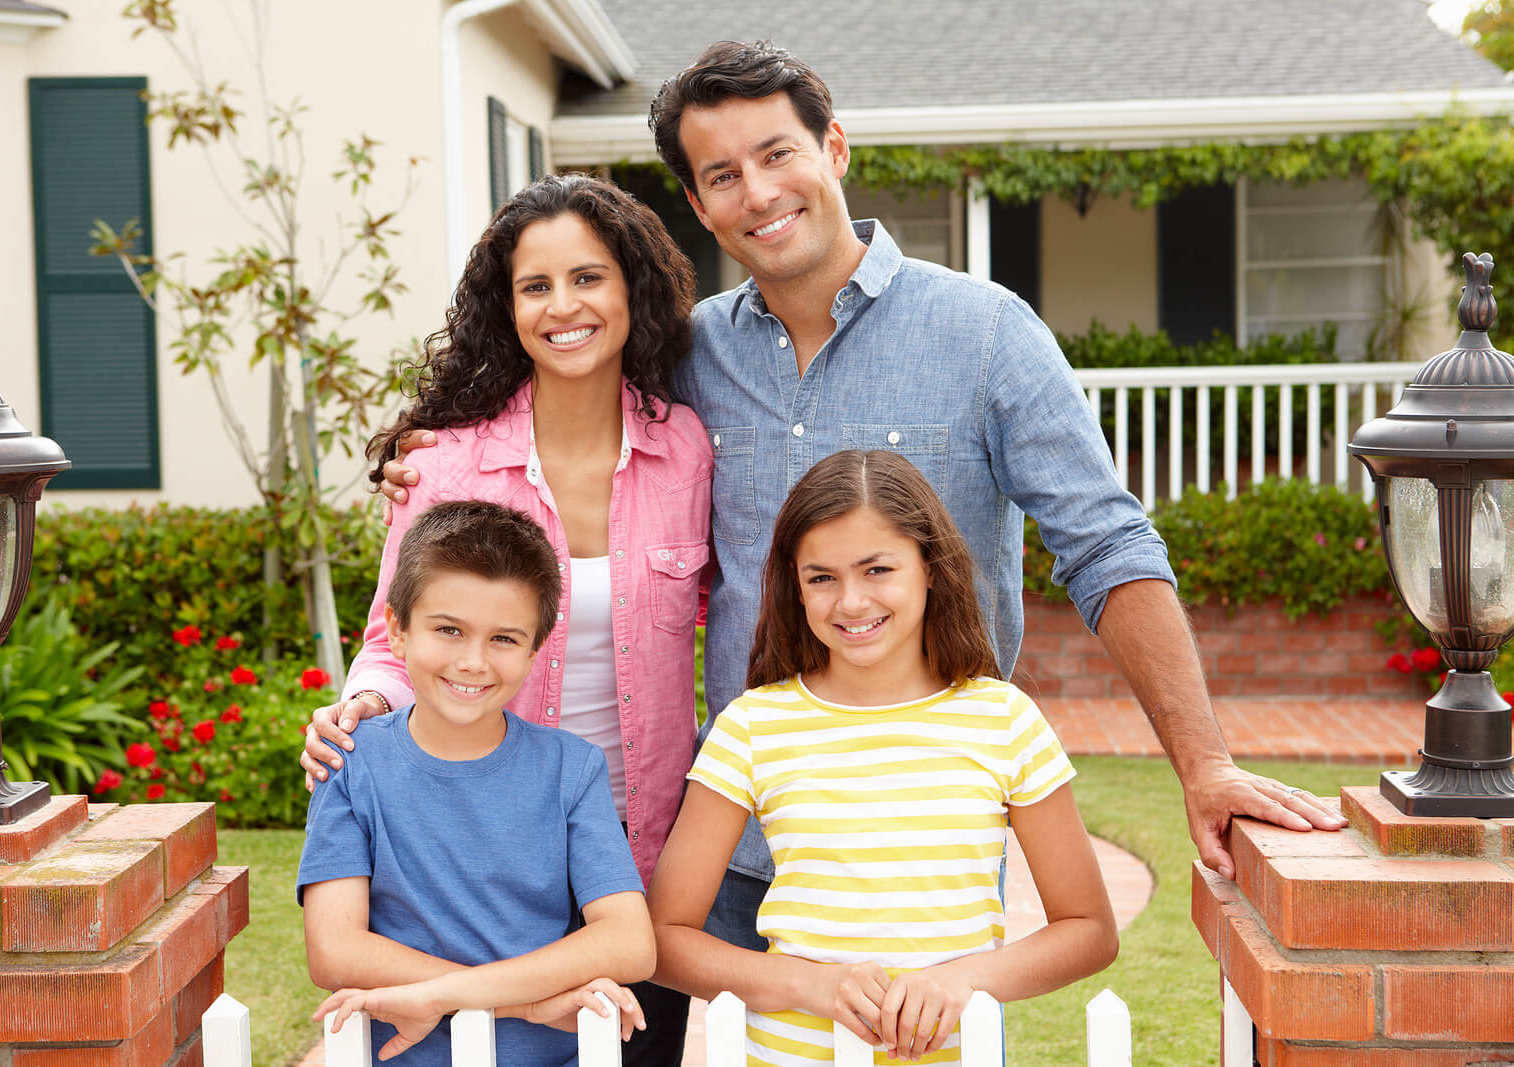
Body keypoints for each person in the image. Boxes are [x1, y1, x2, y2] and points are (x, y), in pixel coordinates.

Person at [354, 41, 1342, 957]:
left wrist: (1204, 763)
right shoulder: (687, 356)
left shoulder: (986, 333)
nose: (759, 192)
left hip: (922, 846)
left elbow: (1107, 549)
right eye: (722, 175)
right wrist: (430, 453)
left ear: (833, 145)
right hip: (728, 841)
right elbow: (559, 402)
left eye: (777, 153)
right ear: (698, 205)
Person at [301, 174, 711, 1060]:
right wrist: (364, 708)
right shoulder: (445, 465)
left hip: (643, 859)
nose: (564, 306)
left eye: (589, 277)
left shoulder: (685, 447)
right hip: (489, 863)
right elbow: (392, 634)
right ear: (509, 305)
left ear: (631, 287)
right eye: (536, 285)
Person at [650, 450, 1118, 1065]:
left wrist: (961, 981)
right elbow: (663, 938)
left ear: (930, 568)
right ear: (794, 585)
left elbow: (1088, 930)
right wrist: (809, 984)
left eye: (877, 570)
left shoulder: (1004, 720)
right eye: (822, 577)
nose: (851, 602)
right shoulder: (752, 726)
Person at [299, 500, 655, 1064]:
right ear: (396, 629)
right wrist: (527, 1003)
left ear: (536, 650)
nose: (472, 661)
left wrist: (443, 996)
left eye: (504, 639)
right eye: (448, 629)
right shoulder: (352, 763)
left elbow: (630, 943)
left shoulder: (572, 769)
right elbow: (335, 951)